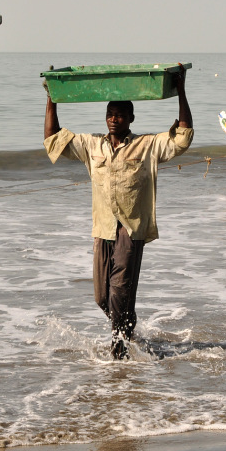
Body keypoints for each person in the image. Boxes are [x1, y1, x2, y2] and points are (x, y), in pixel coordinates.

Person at [43, 69, 193, 360]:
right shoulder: (92, 145)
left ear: (131, 119)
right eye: (111, 114)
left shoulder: (146, 145)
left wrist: (181, 91)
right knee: (103, 297)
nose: (114, 119)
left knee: (118, 292)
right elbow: (52, 139)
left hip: (131, 228)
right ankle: (128, 328)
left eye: (121, 115)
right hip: (102, 228)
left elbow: (182, 139)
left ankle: (120, 348)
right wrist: (52, 98)